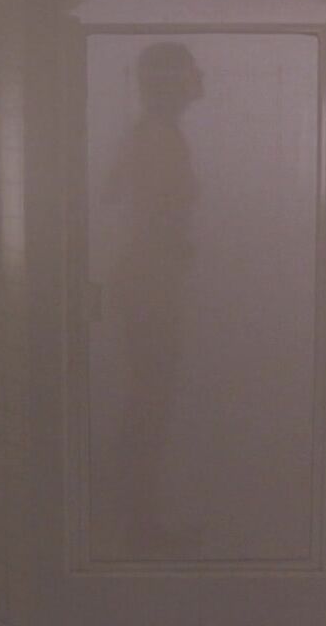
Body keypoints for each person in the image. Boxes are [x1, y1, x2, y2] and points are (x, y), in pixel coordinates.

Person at [102, 41, 204, 557]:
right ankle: (137, 524)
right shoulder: (158, 137)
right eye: (191, 71)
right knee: (150, 404)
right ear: (172, 82)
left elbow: (113, 194)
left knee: (147, 401)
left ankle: (132, 515)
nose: (200, 79)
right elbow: (149, 209)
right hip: (150, 287)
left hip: (145, 281)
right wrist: (170, 243)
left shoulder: (150, 134)